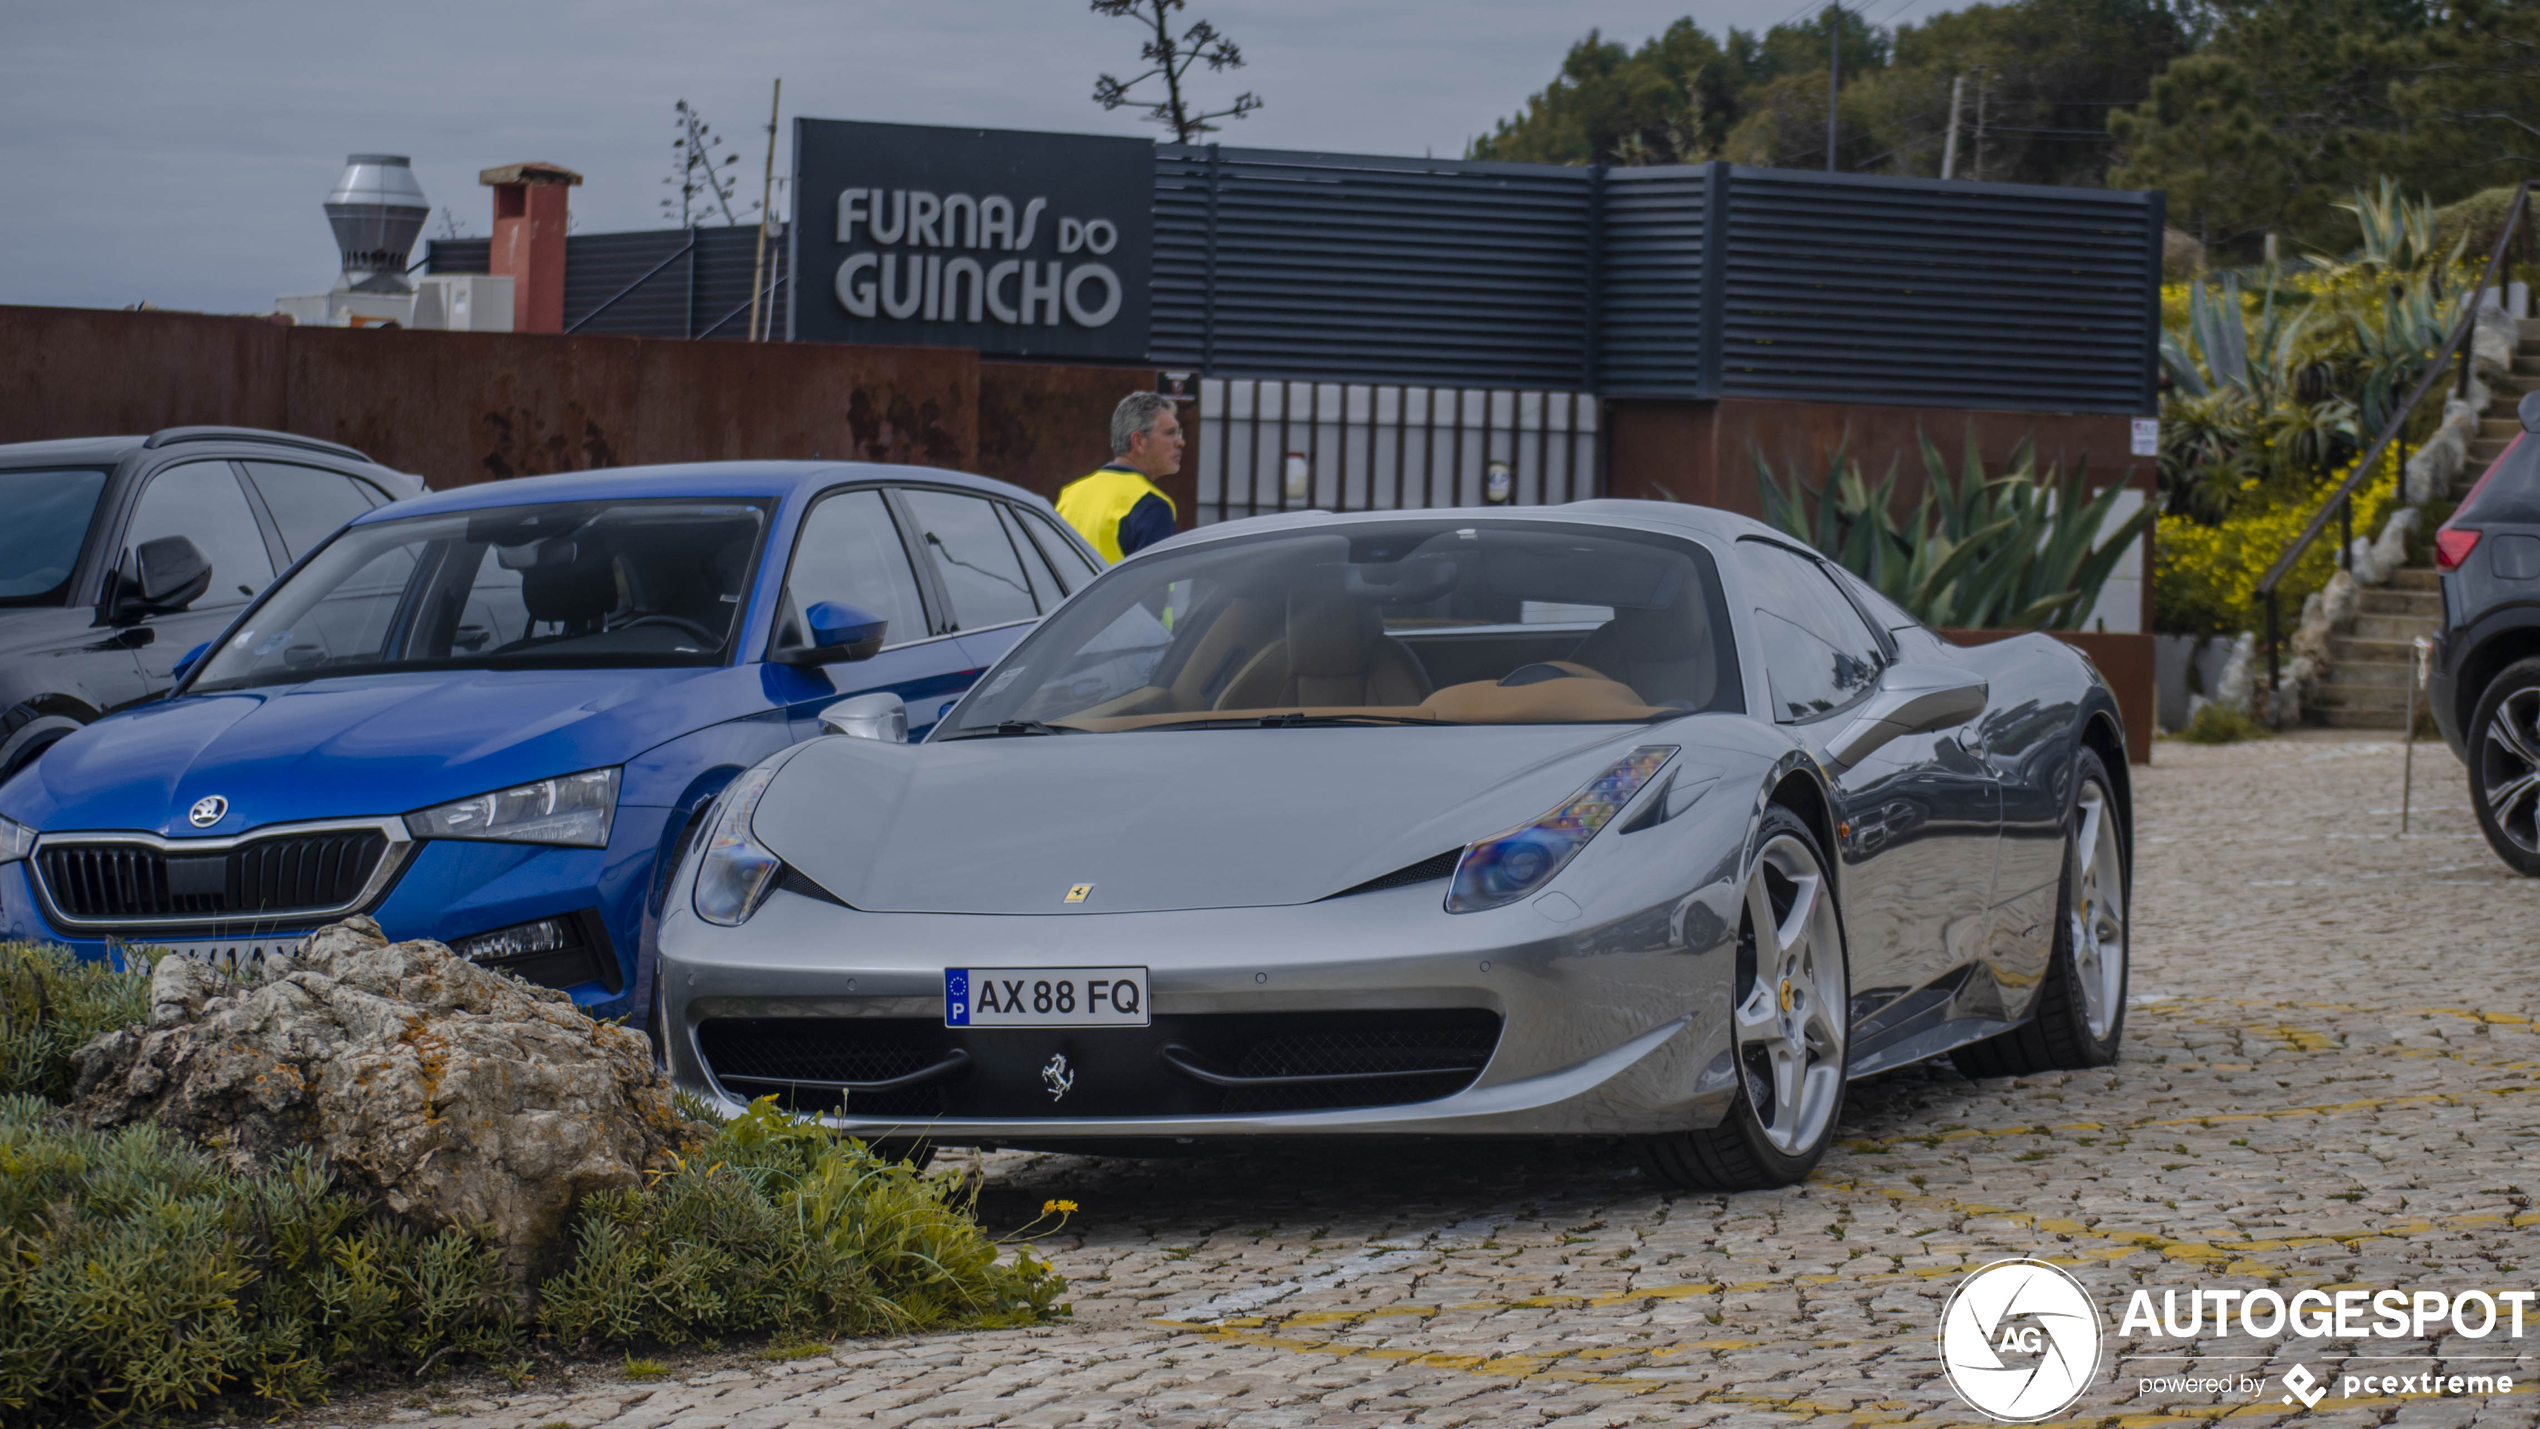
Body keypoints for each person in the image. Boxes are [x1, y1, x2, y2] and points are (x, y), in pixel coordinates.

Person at [1058, 391, 1181, 563]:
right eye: (1170, 433)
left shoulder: (1070, 494)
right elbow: (1153, 585)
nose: (1180, 442)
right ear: (1139, 441)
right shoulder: (1151, 505)